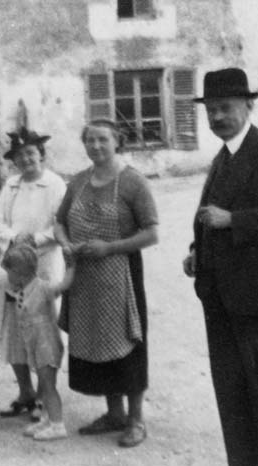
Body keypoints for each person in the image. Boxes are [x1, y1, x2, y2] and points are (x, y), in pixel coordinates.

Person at [182, 68, 258, 466]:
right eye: (211, 110)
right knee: (231, 390)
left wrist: (233, 220)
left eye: (226, 108)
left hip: (256, 294)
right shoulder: (222, 157)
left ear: (248, 106)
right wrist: (197, 251)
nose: (217, 117)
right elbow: (210, 217)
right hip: (219, 293)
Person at [54, 118, 158, 448]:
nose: (96, 146)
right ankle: (114, 414)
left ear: (117, 141)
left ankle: (136, 420)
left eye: (103, 140)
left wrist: (109, 248)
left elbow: (152, 233)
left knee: (127, 344)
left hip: (120, 274)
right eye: (90, 141)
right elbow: (58, 222)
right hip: (84, 277)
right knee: (98, 343)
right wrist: (66, 243)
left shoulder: (133, 182)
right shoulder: (78, 181)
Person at [0, 128, 67, 420]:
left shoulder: (56, 185)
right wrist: (15, 237)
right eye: (20, 156)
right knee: (14, 331)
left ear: (41, 155)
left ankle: (47, 396)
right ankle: (25, 392)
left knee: (43, 333)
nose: (26, 160)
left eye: (31, 154)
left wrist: (36, 240)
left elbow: (62, 225)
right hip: (13, 266)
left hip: (44, 267)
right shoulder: (10, 186)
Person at [0, 243, 75, 441]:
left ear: (18, 273)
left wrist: (71, 266)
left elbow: (63, 285)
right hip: (36, 345)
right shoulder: (22, 289)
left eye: (8, 272)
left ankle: (57, 424)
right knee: (45, 383)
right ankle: (48, 419)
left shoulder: (42, 287)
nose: (6, 276)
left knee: (49, 387)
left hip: (47, 345)